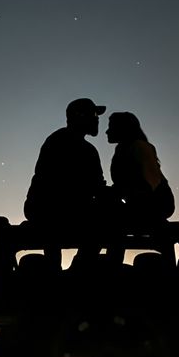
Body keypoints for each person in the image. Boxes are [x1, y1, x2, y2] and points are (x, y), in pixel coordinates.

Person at [24, 98, 109, 266]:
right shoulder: (59, 142)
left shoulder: (88, 150)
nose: (97, 118)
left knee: (104, 219)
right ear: (79, 116)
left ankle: (75, 268)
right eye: (93, 114)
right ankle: (73, 271)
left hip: (61, 210)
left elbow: (97, 188)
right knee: (105, 222)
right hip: (48, 210)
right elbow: (52, 187)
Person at [106, 112, 175, 230]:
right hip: (140, 202)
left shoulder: (139, 146)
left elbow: (151, 183)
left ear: (123, 128)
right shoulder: (122, 149)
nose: (107, 131)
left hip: (156, 203)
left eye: (111, 127)